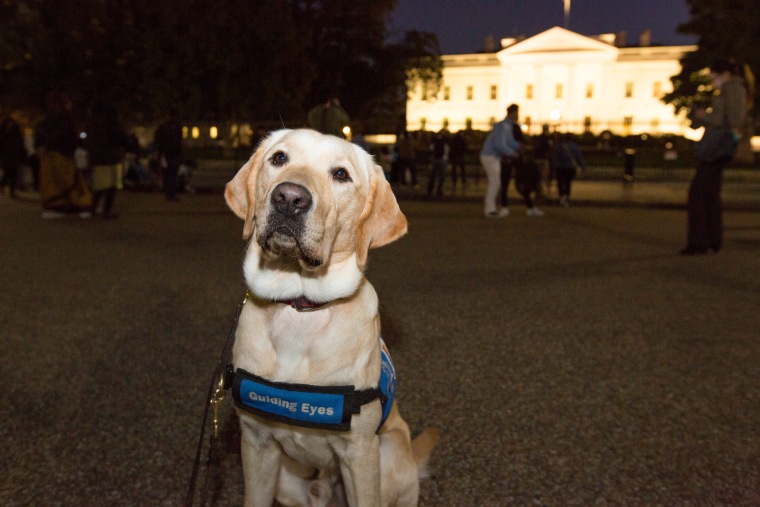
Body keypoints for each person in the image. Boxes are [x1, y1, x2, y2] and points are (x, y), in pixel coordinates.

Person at [681, 59, 749, 255]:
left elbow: (733, 120)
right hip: (718, 147)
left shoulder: (734, 89)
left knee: (697, 194)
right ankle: (712, 240)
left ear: (725, 74)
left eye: (714, 78)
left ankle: (700, 242)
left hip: (717, 149)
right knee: (709, 194)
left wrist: (705, 115)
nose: (713, 83)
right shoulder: (731, 89)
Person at [35, 91, 93, 218]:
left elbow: (41, 135)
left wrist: (41, 146)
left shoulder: (46, 119)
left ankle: (57, 205)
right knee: (65, 180)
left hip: (52, 154)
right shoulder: (64, 118)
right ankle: (68, 205)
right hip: (61, 153)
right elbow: (64, 135)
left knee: (55, 181)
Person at [85, 99, 130, 218]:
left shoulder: (92, 122)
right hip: (111, 156)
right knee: (111, 185)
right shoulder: (112, 121)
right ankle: (106, 210)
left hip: (97, 157)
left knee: (99, 185)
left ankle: (93, 207)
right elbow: (121, 136)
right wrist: (128, 146)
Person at [480, 104, 521, 218]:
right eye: (517, 113)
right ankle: (489, 209)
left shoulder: (506, 125)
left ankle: (490, 208)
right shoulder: (503, 125)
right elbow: (501, 144)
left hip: (493, 156)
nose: (518, 115)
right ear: (513, 113)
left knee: (496, 182)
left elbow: (509, 141)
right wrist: (513, 152)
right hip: (490, 155)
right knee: (495, 182)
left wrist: (518, 147)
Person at [550, 133, 586, 207]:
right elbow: (579, 157)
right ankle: (566, 196)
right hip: (570, 167)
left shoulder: (559, 146)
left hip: (560, 167)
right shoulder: (574, 146)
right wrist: (582, 167)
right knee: (568, 182)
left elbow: (555, 157)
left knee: (560, 182)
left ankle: (561, 196)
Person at [154, 115, 183, 201]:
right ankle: (171, 193)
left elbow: (157, 138)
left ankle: (169, 193)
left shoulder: (163, 128)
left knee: (167, 174)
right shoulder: (175, 127)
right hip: (171, 153)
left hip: (166, 153)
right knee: (172, 175)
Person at [0, 117, 27, 198]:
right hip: (6, 156)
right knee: (8, 172)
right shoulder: (3, 134)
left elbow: (21, 146)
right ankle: (4, 186)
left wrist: (23, 156)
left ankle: (10, 190)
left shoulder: (17, 135)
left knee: (13, 173)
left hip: (15, 156)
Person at [427, 129, 449, 197]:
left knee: (433, 175)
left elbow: (431, 149)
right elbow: (447, 149)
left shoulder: (434, 139)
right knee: (441, 176)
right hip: (442, 159)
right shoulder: (446, 140)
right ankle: (439, 190)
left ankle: (430, 190)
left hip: (435, 159)